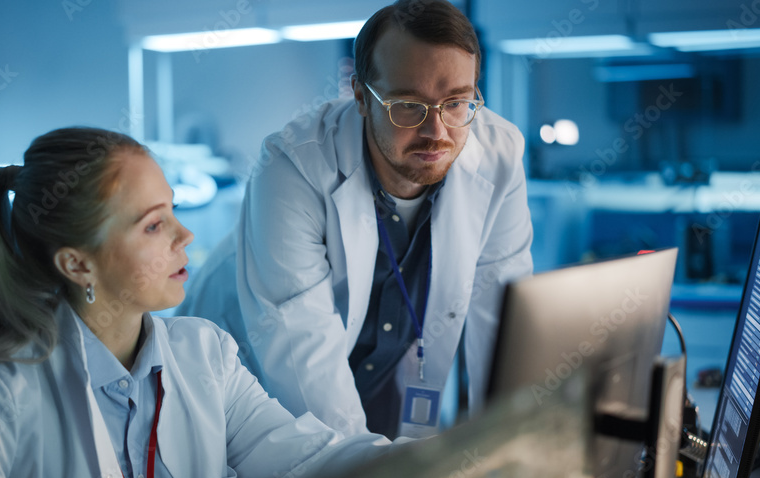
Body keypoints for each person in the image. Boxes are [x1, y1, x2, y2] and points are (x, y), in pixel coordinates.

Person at [0, 127, 395, 478]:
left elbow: (306, 462)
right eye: (154, 224)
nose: (185, 234)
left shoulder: (204, 353)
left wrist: (443, 465)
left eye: (172, 210)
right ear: (77, 264)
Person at [181, 0, 533, 440]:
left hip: (380, 376)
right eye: (409, 105)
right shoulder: (294, 165)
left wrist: (512, 449)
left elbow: (505, 315)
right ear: (362, 97)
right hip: (252, 380)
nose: (437, 131)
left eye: (457, 103)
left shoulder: (499, 153)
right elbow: (301, 352)